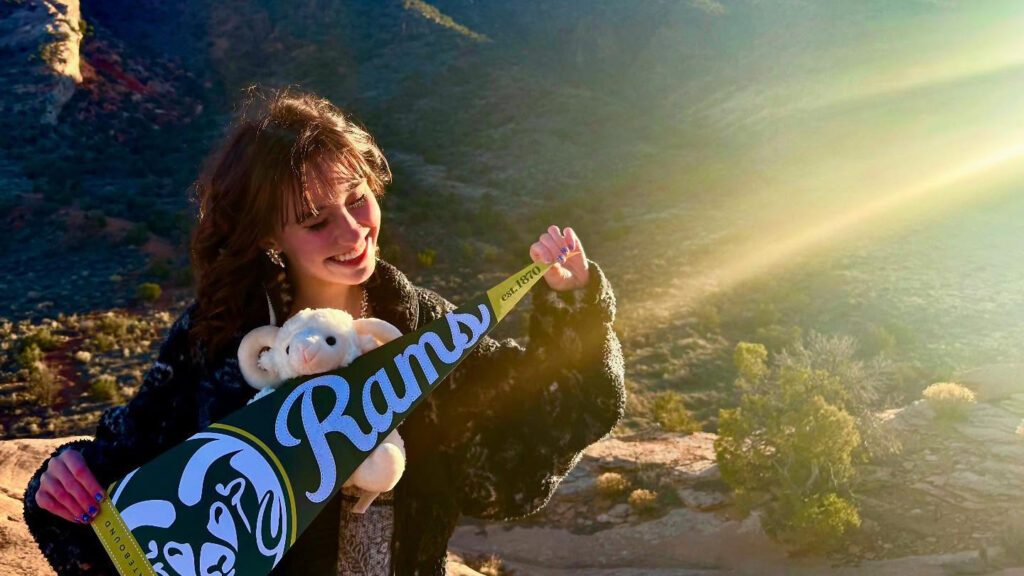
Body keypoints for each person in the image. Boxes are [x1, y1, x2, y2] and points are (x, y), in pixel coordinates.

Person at [23, 87, 626, 575]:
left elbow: (551, 409)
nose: (352, 231)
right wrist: (69, 474)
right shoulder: (217, 336)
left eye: (358, 199)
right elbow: (132, 466)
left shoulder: (425, 330)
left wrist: (571, 304)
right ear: (267, 236)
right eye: (315, 221)